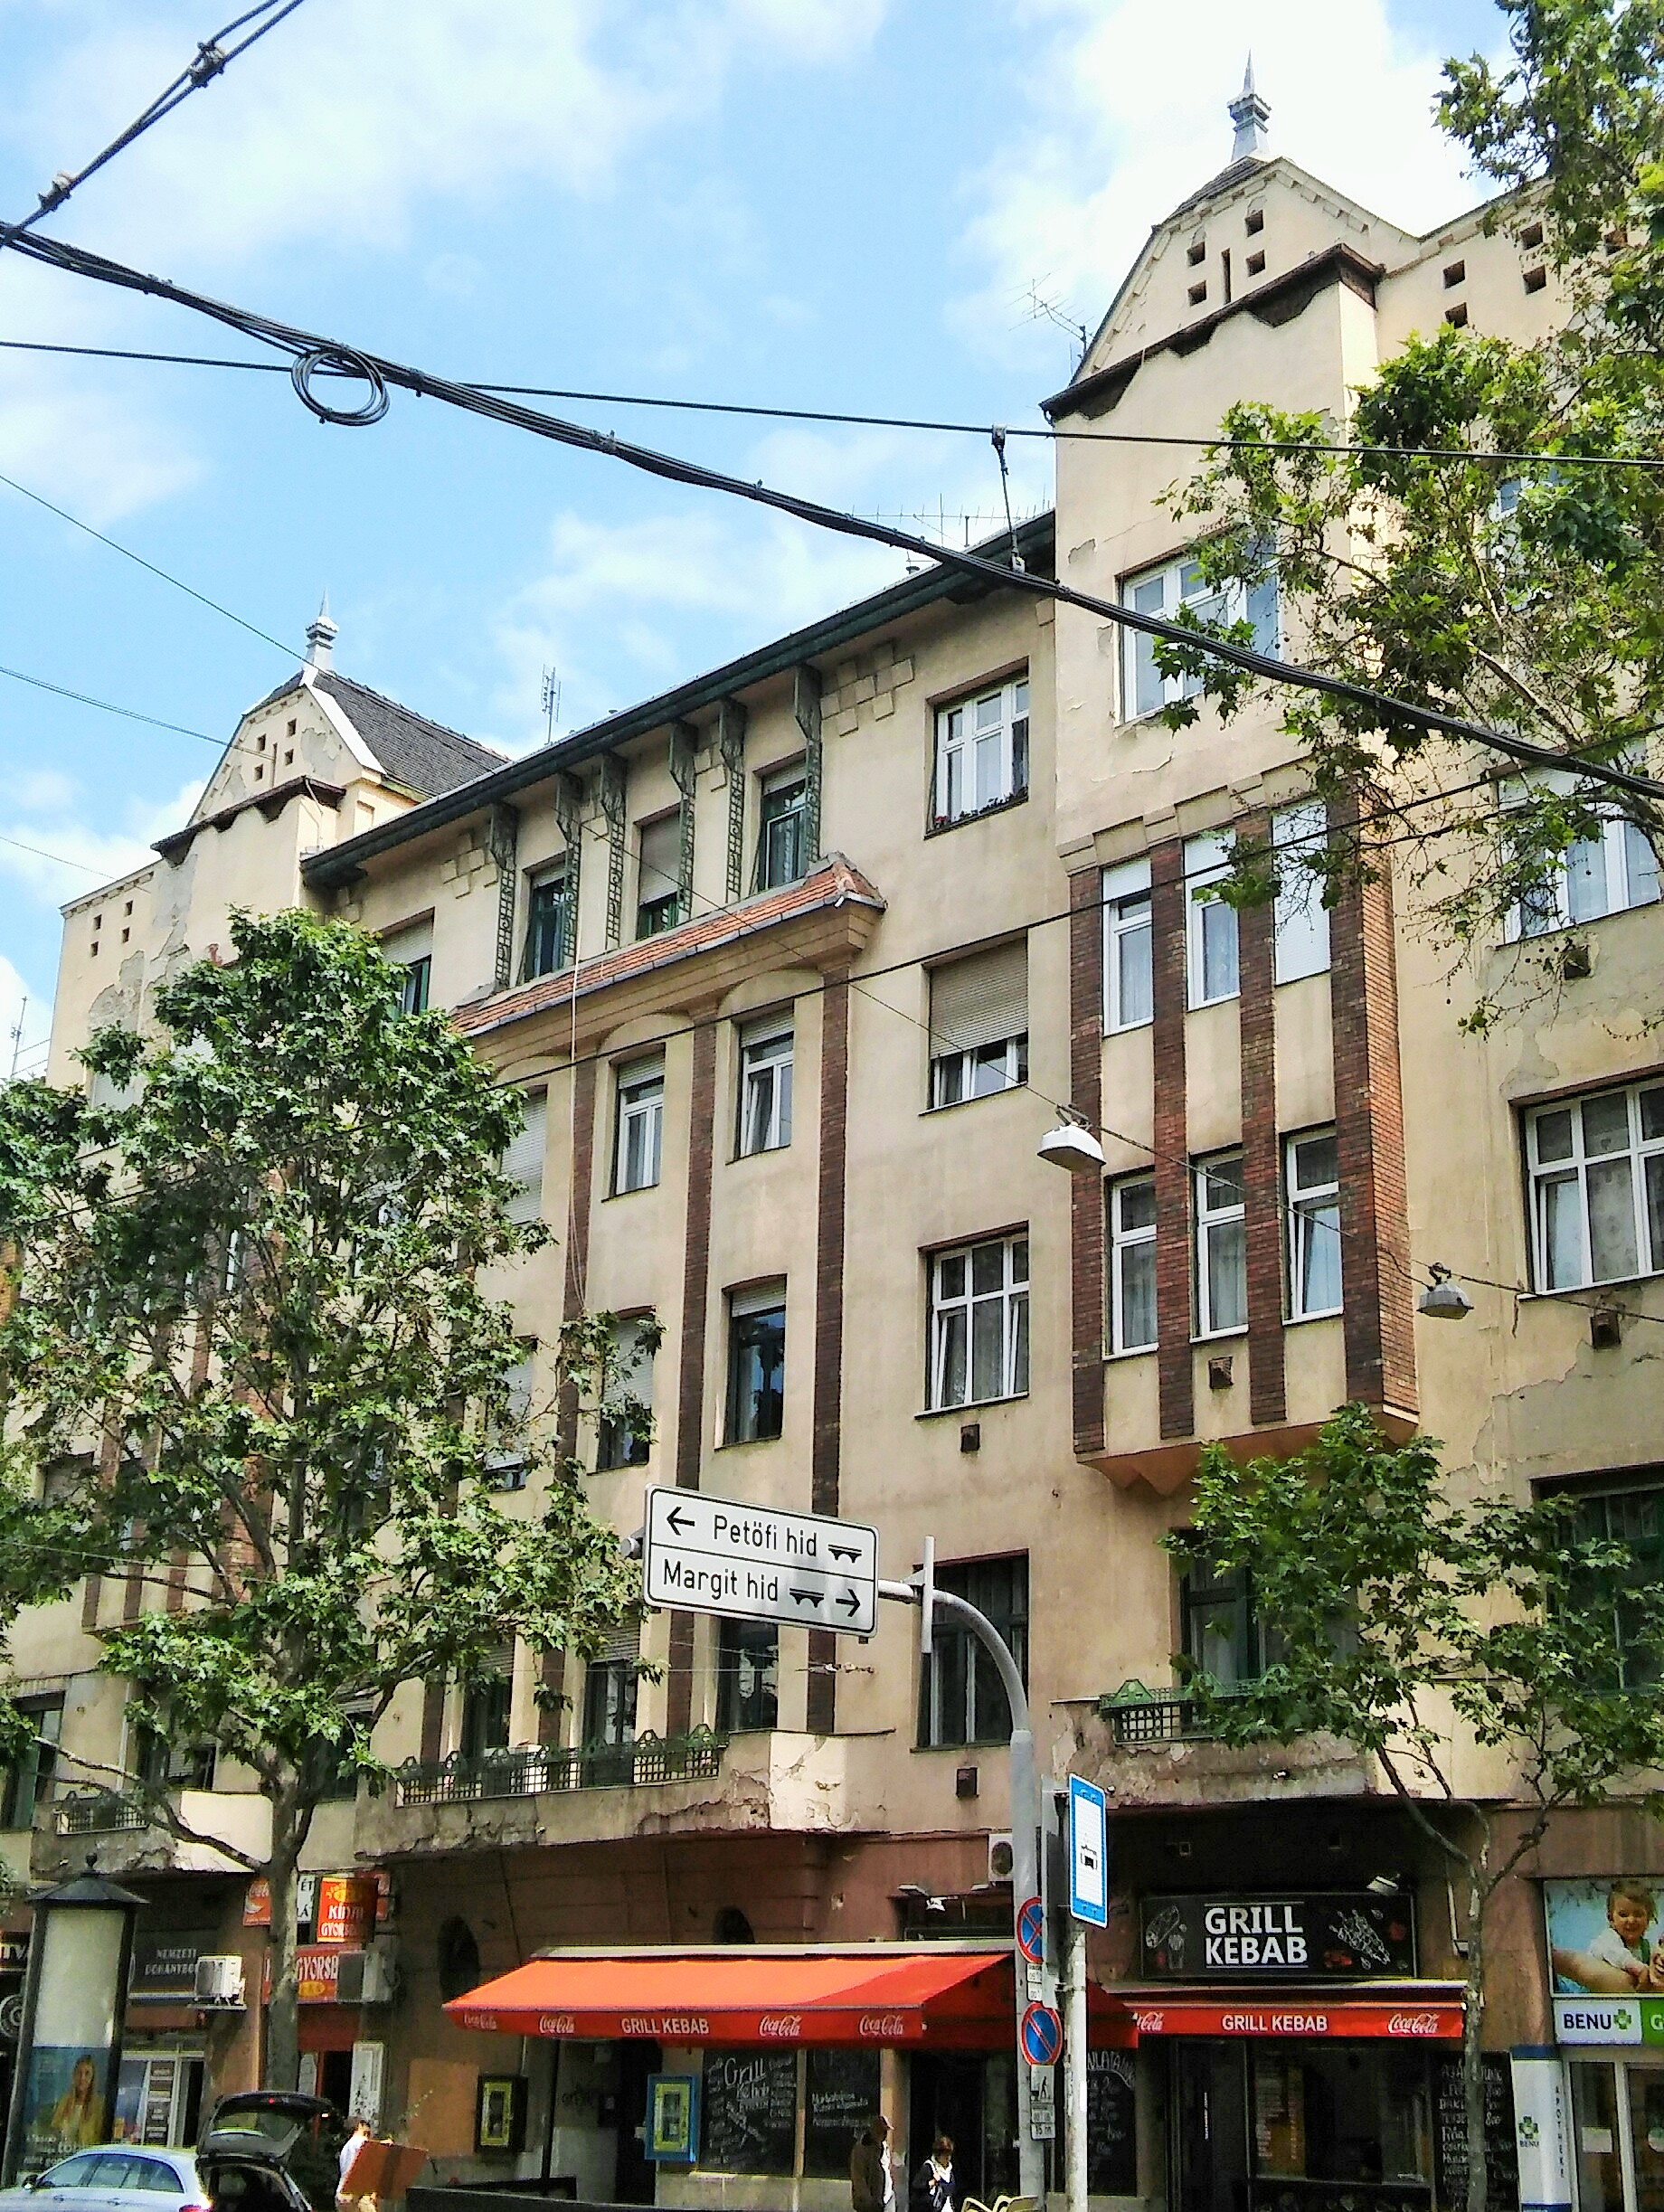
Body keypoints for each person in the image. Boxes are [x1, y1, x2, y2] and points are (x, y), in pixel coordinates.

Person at [1554, 1883, 1659, 1992]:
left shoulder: (1647, 1947)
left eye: (1638, 1915)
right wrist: (1637, 1967)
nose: (1631, 1920)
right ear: (1611, 1919)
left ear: (1648, 1919)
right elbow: (1614, 1953)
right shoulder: (1608, 1938)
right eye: (1623, 1915)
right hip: (1586, 1995)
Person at [47, 2056, 105, 2151]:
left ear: (92, 2078)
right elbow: (53, 2130)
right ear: (74, 2075)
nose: (82, 2078)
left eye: (87, 2074)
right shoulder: (64, 2101)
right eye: (79, 2073)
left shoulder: (99, 2106)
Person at [851, 2113, 894, 2212]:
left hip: (884, 2199)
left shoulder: (884, 2147)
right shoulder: (861, 2149)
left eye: (886, 2132)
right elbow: (858, 2177)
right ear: (874, 2131)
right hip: (869, 2203)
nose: (885, 2135)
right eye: (882, 2131)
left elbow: (886, 2168)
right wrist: (868, 2200)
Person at [337, 2116, 374, 2212]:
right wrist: (384, 2145)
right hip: (356, 2194)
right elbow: (370, 2148)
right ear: (360, 2126)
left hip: (342, 2191)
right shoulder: (359, 2140)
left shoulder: (346, 2147)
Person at [913, 2132, 955, 2212]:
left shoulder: (950, 2171)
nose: (948, 2158)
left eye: (949, 2155)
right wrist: (931, 2183)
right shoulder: (928, 2167)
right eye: (945, 2155)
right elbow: (916, 2186)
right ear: (938, 2155)